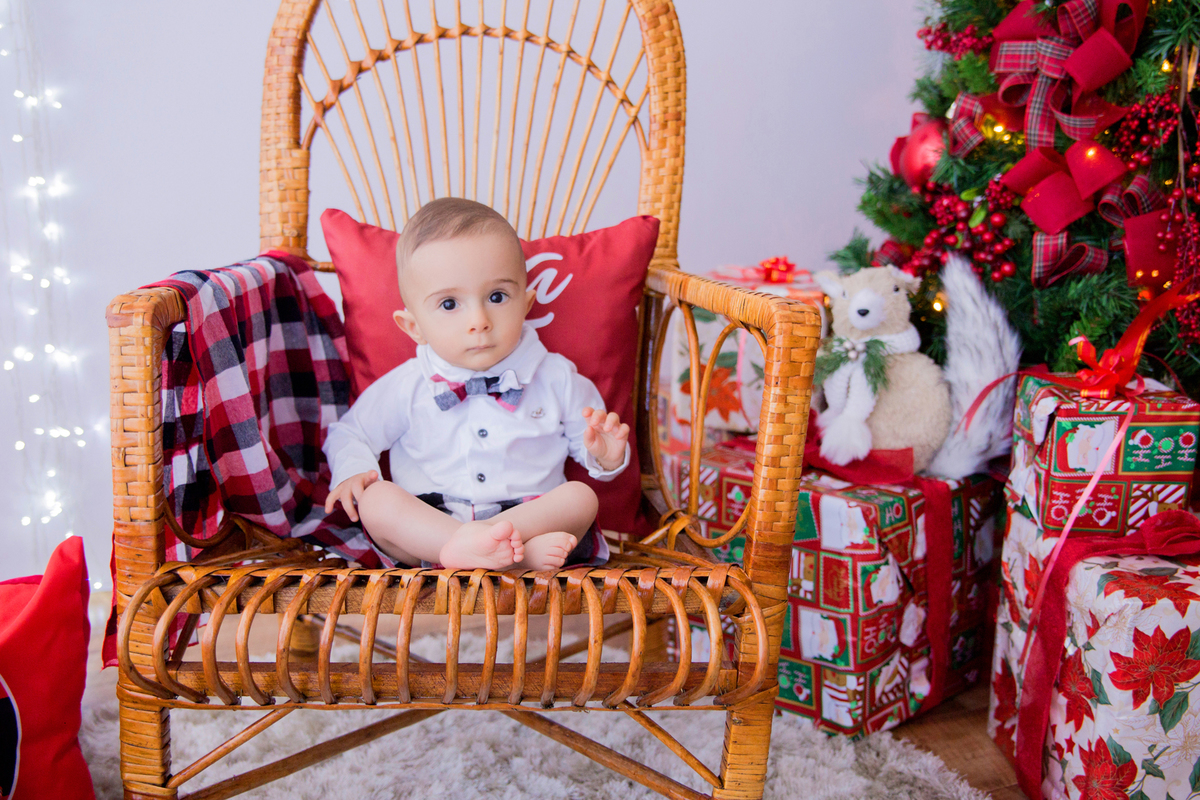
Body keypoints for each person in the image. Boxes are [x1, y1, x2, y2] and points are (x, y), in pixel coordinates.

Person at [323, 198, 630, 570]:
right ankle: (481, 551)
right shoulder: (408, 385)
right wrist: (353, 468)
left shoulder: (556, 376)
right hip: (431, 525)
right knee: (377, 500)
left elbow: (591, 443)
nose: (479, 320)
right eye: (450, 304)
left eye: (497, 297)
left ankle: (496, 551)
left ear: (526, 303)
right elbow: (349, 433)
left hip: (529, 517)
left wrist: (606, 455)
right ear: (413, 327)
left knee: (580, 497)